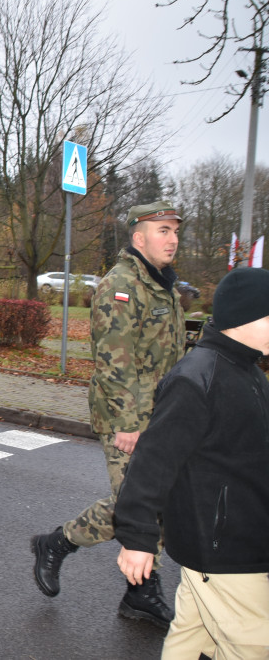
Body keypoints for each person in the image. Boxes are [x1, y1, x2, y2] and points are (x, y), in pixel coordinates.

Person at [31, 200, 185, 629]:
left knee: (153, 502)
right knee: (137, 505)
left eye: (175, 231)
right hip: (129, 417)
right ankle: (132, 585)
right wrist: (127, 424)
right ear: (138, 237)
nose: (172, 239)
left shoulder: (163, 284)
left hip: (163, 414)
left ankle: (67, 549)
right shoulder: (121, 285)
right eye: (163, 230)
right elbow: (113, 362)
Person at [115, 266, 269, 658]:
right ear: (244, 318)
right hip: (224, 551)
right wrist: (137, 539)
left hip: (234, 540)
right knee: (256, 646)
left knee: (190, 638)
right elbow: (151, 463)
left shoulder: (249, 371)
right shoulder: (197, 379)